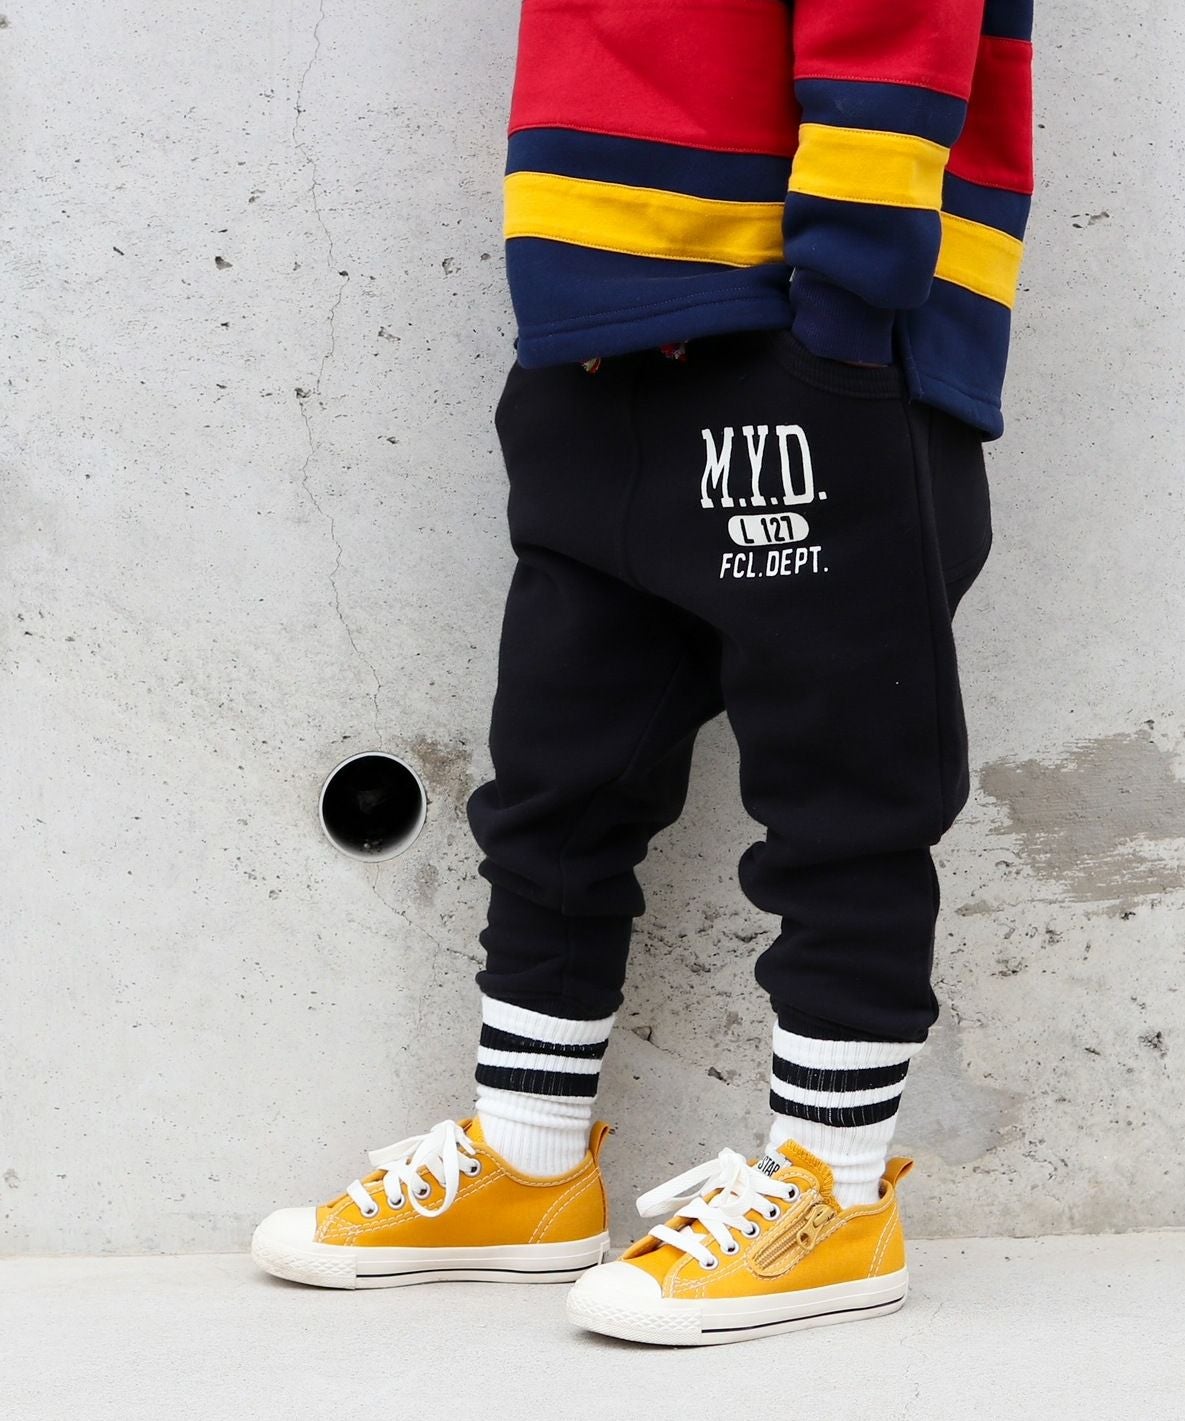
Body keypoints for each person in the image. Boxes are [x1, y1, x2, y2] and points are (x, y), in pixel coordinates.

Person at [252, 0, 1034, 1345]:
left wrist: (847, 321)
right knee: (554, 784)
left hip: (804, 331)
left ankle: (835, 1195)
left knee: (845, 799)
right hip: (595, 339)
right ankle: (529, 1161)